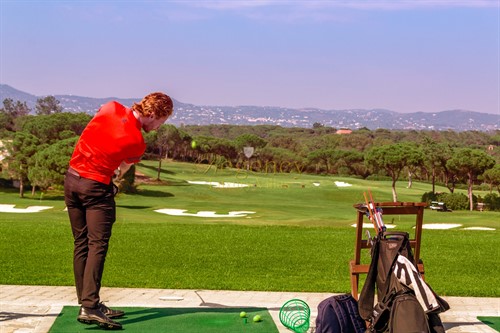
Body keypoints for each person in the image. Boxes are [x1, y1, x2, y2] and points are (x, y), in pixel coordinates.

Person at [64, 92, 173, 330]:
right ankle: (90, 307)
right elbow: (122, 170)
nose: (157, 127)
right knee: (97, 245)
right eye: (160, 122)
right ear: (153, 114)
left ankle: (87, 302)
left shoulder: (110, 107)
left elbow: (95, 127)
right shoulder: (137, 141)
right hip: (96, 188)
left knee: (81, 243)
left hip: (71, 180)